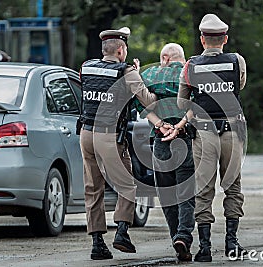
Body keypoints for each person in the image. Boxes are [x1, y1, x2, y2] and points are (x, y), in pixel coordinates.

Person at [164, 14, 248, 262]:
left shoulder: (191, 66)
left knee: (203, 190)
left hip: (204, 133)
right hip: (233, 131)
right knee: (233, 186)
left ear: (202, 39)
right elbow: (239, 86)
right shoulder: (237, 61)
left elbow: (181, 103)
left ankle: (205, 248)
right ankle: (232, 243)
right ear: (225, 38)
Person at [79, 26, 157, 260]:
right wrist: (137, 73)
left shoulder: (86, 67)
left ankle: (97, 243)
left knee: (93, 188)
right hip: (109, 136)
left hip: (86, 133)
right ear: (121, 50)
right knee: (127, 185)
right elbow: (149, 100)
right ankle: (122, 232)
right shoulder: (126, 71)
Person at [133, 43, 195, 261]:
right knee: (186, 193)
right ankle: (184, 236)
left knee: (167, 196)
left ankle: (176, 239)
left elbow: (138, 102)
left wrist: (159, 124)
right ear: (177, 58)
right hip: (186, 138)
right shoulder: (190, 71)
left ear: (165, 58)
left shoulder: (150, 74)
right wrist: (179, 125)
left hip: (160, 141)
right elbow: (197, 104)